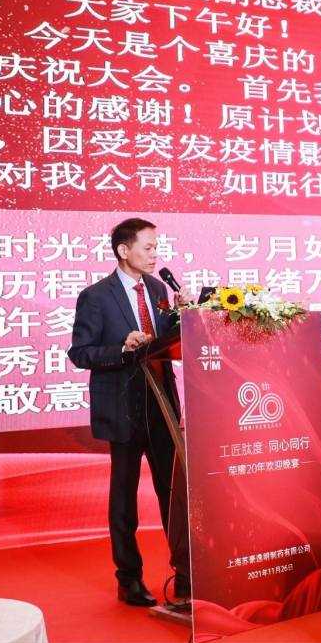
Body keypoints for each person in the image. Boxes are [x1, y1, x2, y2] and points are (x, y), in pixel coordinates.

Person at [67, 217, 189, 607]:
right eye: (148, 247)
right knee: (124, 497)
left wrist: (182, 318)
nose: (155, 255)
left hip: (162, 405)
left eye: (156, 247)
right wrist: (122, 347)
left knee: (175, 493)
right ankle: (129, 578)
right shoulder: (96, 296)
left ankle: (186, 575)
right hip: (122, 408)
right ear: (124, 250)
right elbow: (80, 353)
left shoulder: (157, 288)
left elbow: (163, 342)